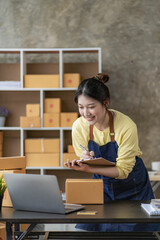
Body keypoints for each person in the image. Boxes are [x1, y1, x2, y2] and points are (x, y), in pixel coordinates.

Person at [65, 73, 158, 232]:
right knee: (87, 231)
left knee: (138, 234)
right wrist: (84, 159)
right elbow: (83, 152)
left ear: (105, 103)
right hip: (102, 188)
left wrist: (90, 169)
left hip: (133, 188)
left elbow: (122, 171)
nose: (85, 113)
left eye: (91, 106)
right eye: (81, 107)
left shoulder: (126, 126)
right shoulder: (79, 126)